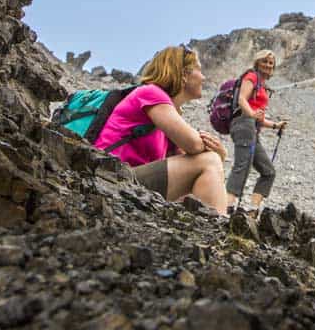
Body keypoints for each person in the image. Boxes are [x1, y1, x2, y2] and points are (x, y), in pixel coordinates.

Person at [93, 46, 228, 214]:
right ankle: (215, 231)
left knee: (210, 162)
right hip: (110, 177)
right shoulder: (151, 93)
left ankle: (207, 228)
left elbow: (189, 164)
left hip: (128, 181)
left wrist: (220, 156)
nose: (204, 77)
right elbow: (194, 145)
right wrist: (213, 152)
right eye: (199, 70)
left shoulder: (168, 112)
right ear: (184, 74)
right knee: (209, 161)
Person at [226, 49, 287, 216]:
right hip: (243, 123)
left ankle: (253, 210)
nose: (268, 65)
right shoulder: (251, 77)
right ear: (258, 62)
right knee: (242, 165)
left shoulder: (261, 85)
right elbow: (242, 99)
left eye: (271, 63)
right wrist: (251, 114)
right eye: (265, 61)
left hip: (252, 128)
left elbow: (259, 118)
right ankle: (227, 208)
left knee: (268, 171)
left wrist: (275, 125)